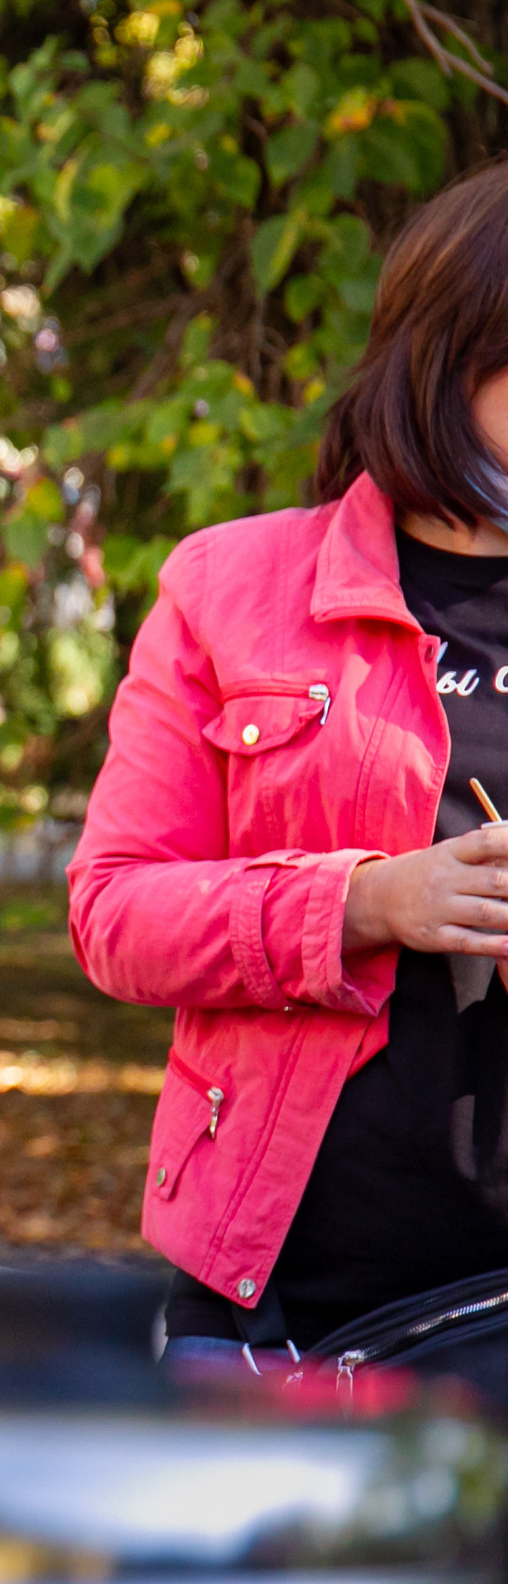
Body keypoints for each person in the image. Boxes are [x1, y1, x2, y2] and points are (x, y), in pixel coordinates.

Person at [71, 161, 508, 1362]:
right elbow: (114, 914)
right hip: (280, 1315)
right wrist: (369, 901)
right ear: (447, 357)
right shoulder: (231, 585)